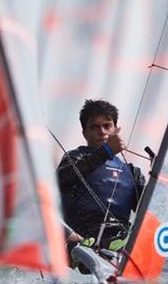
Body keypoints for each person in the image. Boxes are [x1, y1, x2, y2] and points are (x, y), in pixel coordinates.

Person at [57, 99, 146, 252]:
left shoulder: (132, 172)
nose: (102, 132)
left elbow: (151, 210)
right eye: (94, 127)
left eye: (107, 126)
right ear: (85, 133)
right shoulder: (74, 158)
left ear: (116, 129)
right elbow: (60, 180)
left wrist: (163, 177)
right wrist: (106, 151)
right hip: (83, 239)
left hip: (120, 238)